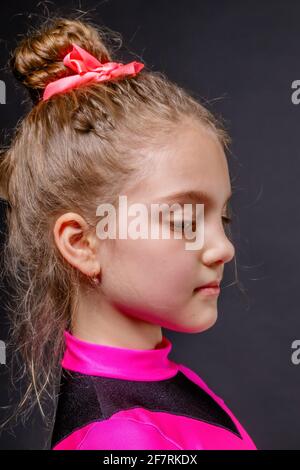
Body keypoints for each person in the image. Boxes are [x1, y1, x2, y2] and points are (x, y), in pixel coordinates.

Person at [0, 16, 257, 450]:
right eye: (185, 219)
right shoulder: (120, 439)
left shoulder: (167, 385)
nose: (224, 248)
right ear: (82, 243)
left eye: (222, 219)